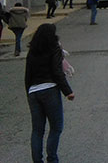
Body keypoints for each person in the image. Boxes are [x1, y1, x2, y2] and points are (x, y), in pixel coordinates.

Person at [25, 23, 75, 163]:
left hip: (33, 92)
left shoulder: (32, 51)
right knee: (56, 127)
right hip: (50, 90)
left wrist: (29, 92)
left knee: (37, 130)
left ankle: (37, 160)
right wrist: (68, 92)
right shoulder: (54, 49)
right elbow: (57, 71)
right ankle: (52, 158)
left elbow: (28, 74)